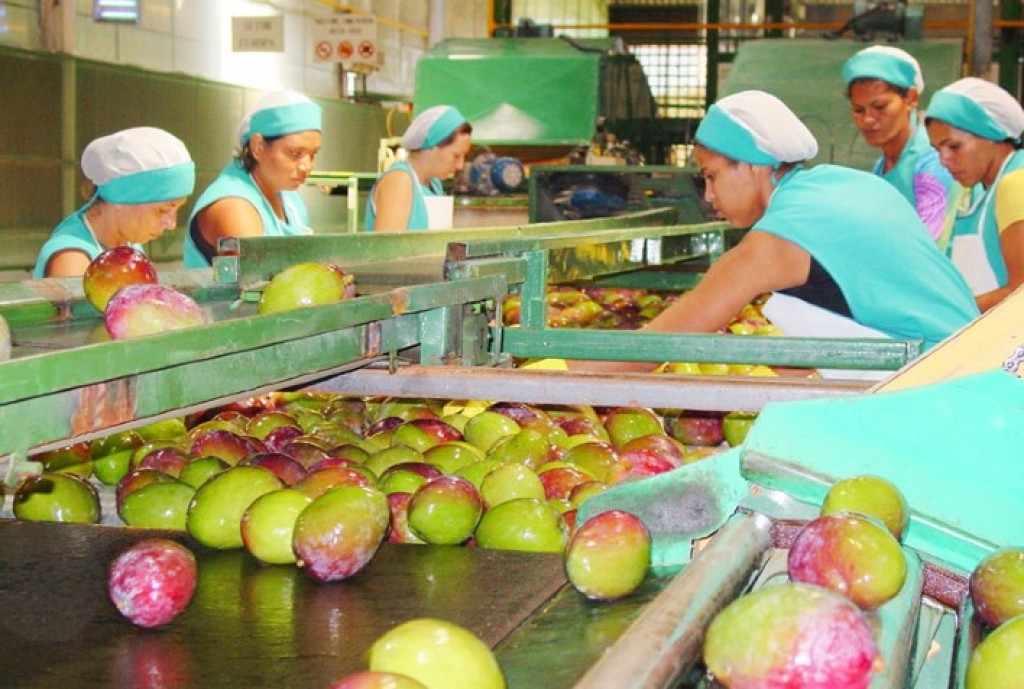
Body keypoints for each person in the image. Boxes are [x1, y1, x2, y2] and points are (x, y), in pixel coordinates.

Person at [570, 91, 979, 376]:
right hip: (975, 360)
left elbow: (653, 348)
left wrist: (549, 374)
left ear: (750, 165)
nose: (709, 196)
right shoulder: (844, 184)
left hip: (937, 385)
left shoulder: (778, 239)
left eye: (711, 176)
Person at [183, 90, 322, 267]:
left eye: (313, 154)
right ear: (258, 147)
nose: (306, 166)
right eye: (295, 153)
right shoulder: (232, 207)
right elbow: (256, 279)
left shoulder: (291, 202)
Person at [33, 127, 194, 278]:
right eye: (162, 210)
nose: (172, 224)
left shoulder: (127, 241)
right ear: (122, 198)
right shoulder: (72, 260)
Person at [925, 77, 1024, 313]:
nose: (943, 160)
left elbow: (1020, 294)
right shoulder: (982, 194)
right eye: (938, 150)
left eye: (954, 146)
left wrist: (948, 313)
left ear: (993, 134)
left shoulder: (1017, 183)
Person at [843, 45, 959, 245]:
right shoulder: (882, 166)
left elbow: (928, 247)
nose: (868, 119)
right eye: (859, 110)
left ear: (911, 99)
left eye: (880, 107)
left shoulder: (934, 162)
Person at [365, 105, 472, 232]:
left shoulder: (435, 185)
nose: (460, 165)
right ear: (433, 146)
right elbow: (388, 243)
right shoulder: (400, 180)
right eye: (456, 156)